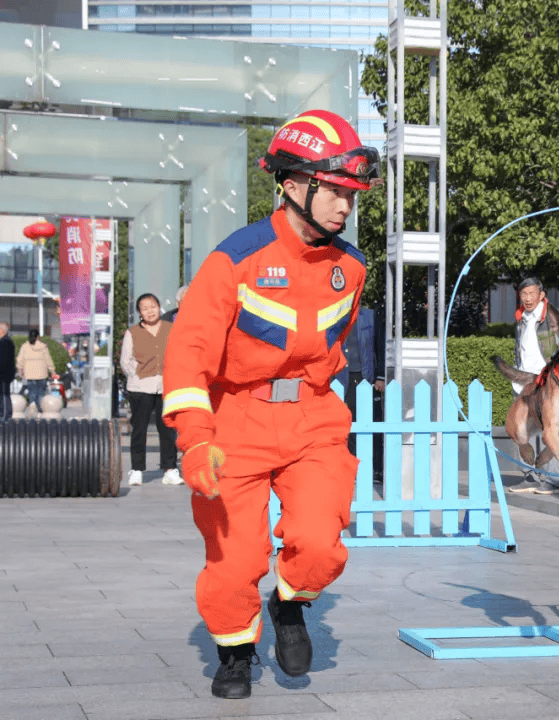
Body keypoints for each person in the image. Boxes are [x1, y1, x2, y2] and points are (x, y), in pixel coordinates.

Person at [162, 109, 380, 699]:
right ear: (291, 184)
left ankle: (289, 605)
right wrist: (195, 437)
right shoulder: (234, 260)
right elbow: (189, 354)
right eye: (334, 192)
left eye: (351, 196)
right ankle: (234, 651)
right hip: (237, 420)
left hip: (313, 417)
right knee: (233, 560)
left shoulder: (352, 268)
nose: (344, 207)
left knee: (318, 539)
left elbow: (337, 348)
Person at [506, 277, 559, 494]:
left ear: (541, 295)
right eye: (524, 294)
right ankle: (529, 476)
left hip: (545, 382)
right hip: (523, 384)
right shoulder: (521, 318)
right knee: (522, 431)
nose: (528, 298)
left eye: (532, 293)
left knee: (549, 431)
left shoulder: (551, 317)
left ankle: (553, 479)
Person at [120, 293, 181, 487]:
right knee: (139, 429)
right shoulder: (132, 332)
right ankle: (137, 469)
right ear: (140, 313)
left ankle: (170, 469)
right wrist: (136, 375)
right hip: (140, 387)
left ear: (159, 307)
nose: (150, 311)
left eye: (153, 306)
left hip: (166, 385)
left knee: (168, 429)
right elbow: (125, 361)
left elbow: (180, 353)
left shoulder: (171, 329)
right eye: (145, 308)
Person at [333, 307, 385, 478]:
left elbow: (380, 346)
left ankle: (374, 468)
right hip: (340, 379)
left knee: (369, 423)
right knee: (344, 424)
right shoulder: (333, 314)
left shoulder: (370, 316)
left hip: (364, 378)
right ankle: (347, 468)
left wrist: (380, 376)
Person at [16, 328, 54, 412]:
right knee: (41, 393)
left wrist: (20, 372)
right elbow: (48, 360)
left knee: (32, 392)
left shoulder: (24, 346)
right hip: (42, 374)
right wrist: (52, 371)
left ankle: (32, 407)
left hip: (30, 374)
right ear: (37, 336)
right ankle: (40, 410)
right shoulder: (43, 346)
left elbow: (20, 360)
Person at [0, 322, 14, 422]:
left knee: (4, 395)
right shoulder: (5, 341)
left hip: (4, 374)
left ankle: (5, 416)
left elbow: (3, 360)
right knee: (3, 395)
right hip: (5, 373)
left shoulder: (5, 342)